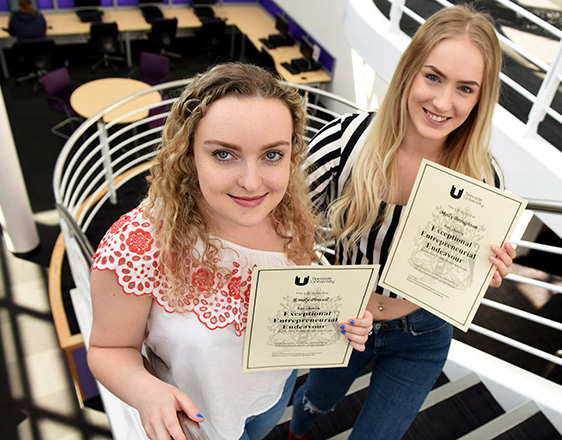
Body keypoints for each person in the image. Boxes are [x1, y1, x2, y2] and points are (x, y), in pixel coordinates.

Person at [87, 62, 374, 440]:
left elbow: (293, 307)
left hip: (270, 397)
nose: (251, 183)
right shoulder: (138, 244)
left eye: (272, 155)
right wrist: (146, 392)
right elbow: (109, 348)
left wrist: (340, 322)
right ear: (190, 154)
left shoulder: (291, 220)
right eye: (224, 154)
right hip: (193, 422)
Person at [289, 5, 516, 440]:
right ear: (410, 72)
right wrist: (320, 286)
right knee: (317, 401)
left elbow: (462, 271)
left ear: (480, 98)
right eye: (433, 77)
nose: (443, 102)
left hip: (424, 332)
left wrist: (488, 266)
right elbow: (282, 230)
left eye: (465, 89)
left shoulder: (486, 178)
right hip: (344, 318)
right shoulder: (344, 143)